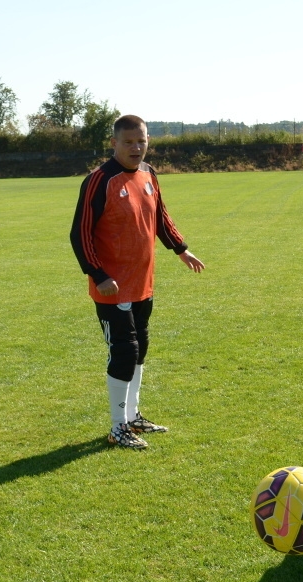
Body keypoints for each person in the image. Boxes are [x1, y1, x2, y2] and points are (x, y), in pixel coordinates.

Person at [70, 114, 205, 450]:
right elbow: (80, 233)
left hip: (143, 282)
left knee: (140, 348)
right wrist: (98, 274)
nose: (136, 147)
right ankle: (117, 427)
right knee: (124, 351)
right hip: (111, 287)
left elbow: (160, 216)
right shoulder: (99, 180)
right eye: (128, 142)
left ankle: (131, 417)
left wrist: (181, 250)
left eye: (141, 140)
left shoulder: (149, 174)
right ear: (113, 143)